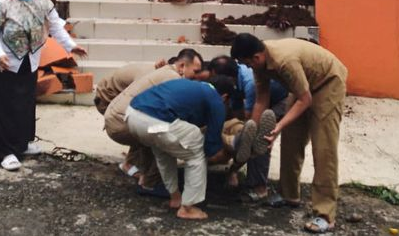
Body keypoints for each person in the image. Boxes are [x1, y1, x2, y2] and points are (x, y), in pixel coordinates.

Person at [231, 35, 347, 234]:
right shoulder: (260, 64)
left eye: (248, 64)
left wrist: (278, 126)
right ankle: (289, 195)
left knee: (323, 148)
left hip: (328, 83)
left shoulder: (285, 61)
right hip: (303, 87)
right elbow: (262, 99)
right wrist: (255, 129)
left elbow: (305, 99)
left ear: (256, 57)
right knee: (291, 141)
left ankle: (325, 214)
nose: (248, 68)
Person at [0, 0, 87, 171]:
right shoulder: (5, 1)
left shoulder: (42, 1)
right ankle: (3, 151)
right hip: (4, 63)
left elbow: (54, 26)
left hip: (28, 61)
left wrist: (71, 46)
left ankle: (21, 143)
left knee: (23, 104)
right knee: (3, 107)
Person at [125, 76, 235, 220]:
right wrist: (226, 152)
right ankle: (188, 208)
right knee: (197, 151)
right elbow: (211, 147)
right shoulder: (215, 99)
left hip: (132, 116)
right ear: (225, 97)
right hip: (157, 121)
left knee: (164, 151)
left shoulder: (190, 86)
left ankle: (175, 198)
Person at [102, 49, 204, 197]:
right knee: (166, 134)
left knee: (153, 127)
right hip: (121, 122)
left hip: (115, 117)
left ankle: (134, 167)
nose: (197, 77)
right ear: (182, 66)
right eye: (196, 71)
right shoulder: (174, 80)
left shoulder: (166, 71)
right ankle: (149, 183)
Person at [209, 54, 289, 201]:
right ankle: (233, 160)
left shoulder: (250, 83)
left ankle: (258, 188)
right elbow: (236, 112)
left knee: (261, 137)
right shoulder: (235, 76)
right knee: (242, 132)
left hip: (281, 101)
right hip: (263, 99)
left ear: (229, 79)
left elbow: (250, 121)